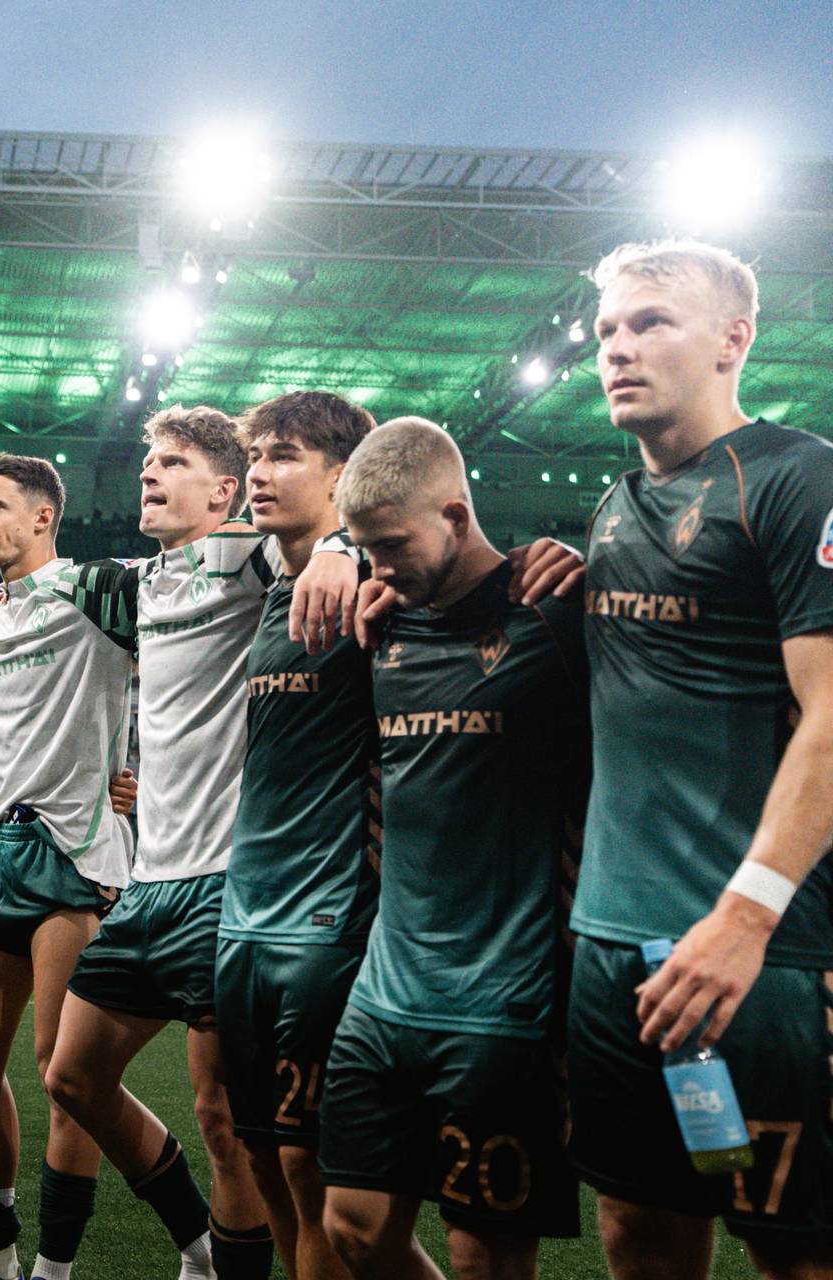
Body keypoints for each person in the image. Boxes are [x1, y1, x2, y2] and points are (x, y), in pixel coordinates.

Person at [561, 240, 833, 1280]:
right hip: (615, 952)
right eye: (607, 332)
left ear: (734, 338)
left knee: (794, 1250)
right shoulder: (615, 503)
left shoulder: (796, 479)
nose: (619, 349)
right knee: (642, 1229)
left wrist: (747, 913)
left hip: (755, 956)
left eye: (652, 322)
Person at [314, 418, 587, 1279]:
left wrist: (584, 566)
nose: (378, 567)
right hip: (384, 994)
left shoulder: (555, 616)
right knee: (352, 1227)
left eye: (391, 546)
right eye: (364, 550)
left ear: (458, 516)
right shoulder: (383, 627)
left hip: (507, 1003)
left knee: (486, 1256)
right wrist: (336, 555)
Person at [47, 405, 289, 1280]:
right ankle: (196, 1241)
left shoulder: (248, 556)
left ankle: (224, 1271)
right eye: (148, 461)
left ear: (225, 490)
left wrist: (334, 550)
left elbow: (330, 545)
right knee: (71, 1077)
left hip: (228, 882)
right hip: (147, 884)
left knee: (223, 1119)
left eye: (174, 462)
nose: (150, 474)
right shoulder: (138, 584)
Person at [216, 391, 378, 1280]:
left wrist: (354, 544)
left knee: (314, 1170)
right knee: (261, 1160)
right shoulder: (272, 591)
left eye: (283, 455)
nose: (259, 474)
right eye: (257, 457)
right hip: (246, 912)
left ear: (343, 474)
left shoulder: (373, 581)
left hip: (331, 915)